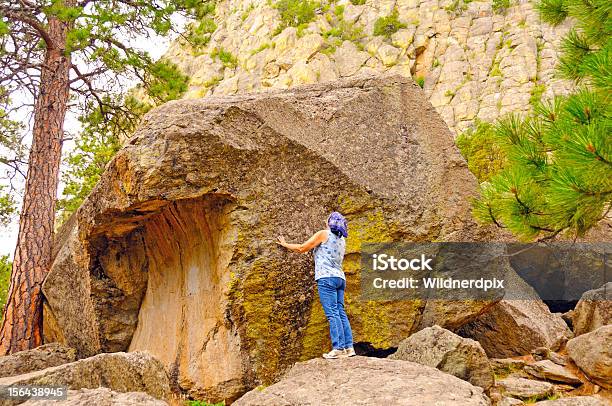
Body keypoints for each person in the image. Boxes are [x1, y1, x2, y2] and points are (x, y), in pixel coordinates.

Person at [277, 212, 355, 359]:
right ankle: (349, 348)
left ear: (329, 223)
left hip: (326, 278)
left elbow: (302, 248)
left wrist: (285, 244)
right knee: (340, 312)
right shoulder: (342, 240)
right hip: (340, 278)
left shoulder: (324, 234)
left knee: (332, 313)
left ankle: (338, 348)